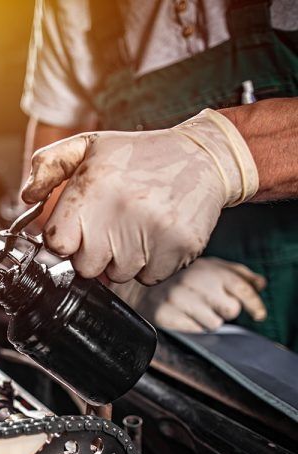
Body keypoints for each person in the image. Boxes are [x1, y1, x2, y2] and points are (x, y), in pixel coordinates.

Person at [20, 0, 298, 349]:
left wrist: (222, 151)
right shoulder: (74, 7)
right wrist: (127, 287)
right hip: (186, 337)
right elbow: (50, 191)